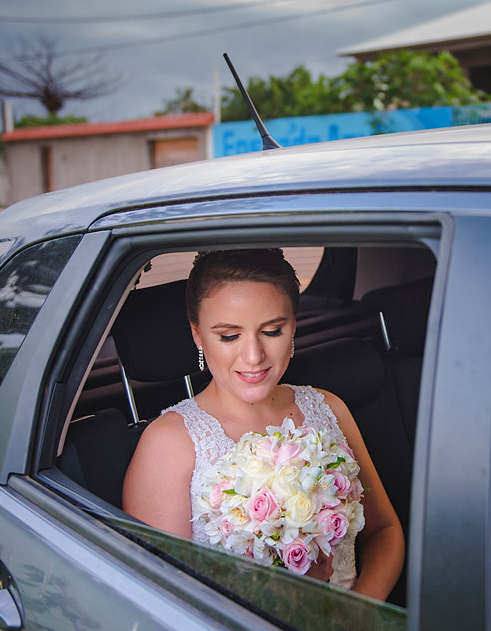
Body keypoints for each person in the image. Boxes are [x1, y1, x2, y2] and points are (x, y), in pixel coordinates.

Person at [123, 248, 404, 601]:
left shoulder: (328, 408)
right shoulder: (169, 443)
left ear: (293, 327)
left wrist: (360, 615)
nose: (253, 356)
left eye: (271, 331)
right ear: (197, 335)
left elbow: (384, 530)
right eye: (229, 336)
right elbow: (159, 600)